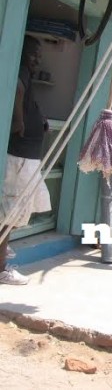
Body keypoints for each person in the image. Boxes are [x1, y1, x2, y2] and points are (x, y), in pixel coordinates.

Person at [0, 35, 51, 285]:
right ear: (22, 53)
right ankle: (1, 269)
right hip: (19, 157)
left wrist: (38, 120)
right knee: (7, 216)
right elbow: (18, 89)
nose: (36, 59)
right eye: (33, 54)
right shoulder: (19, 71)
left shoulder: (27, 75)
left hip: (26, 157)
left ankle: (2, 255)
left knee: (15, 214)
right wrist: (20, 120)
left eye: (38, 55)